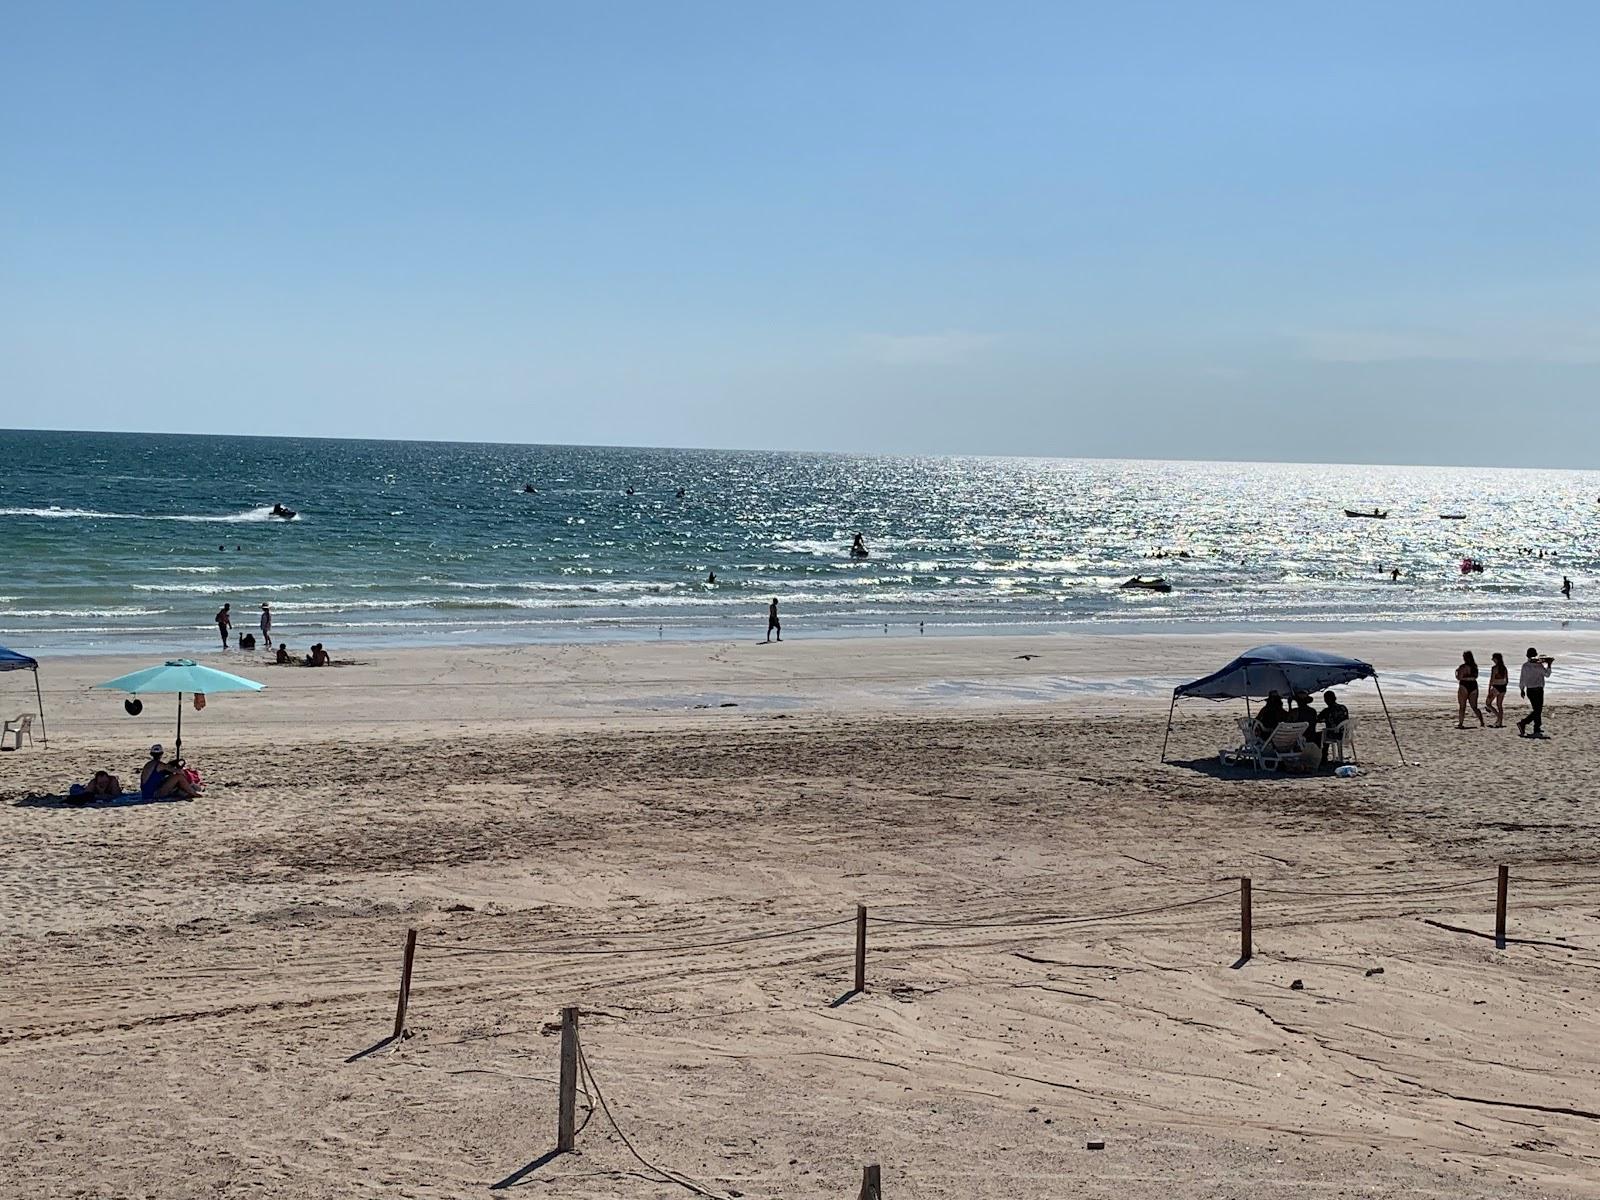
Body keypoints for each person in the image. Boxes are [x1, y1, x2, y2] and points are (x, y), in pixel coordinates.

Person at [1517, 647, 1554, 738]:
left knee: (1537, 710)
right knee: (1538, 710)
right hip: (1538, 690)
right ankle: (1523, 723)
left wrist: (1522, 689)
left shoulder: (1525, 665)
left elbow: (1522, 678)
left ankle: (1536, 727)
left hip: (1530, 690)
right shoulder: (1538, 665)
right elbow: (1547, 674)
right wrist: (1549, 665)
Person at [1455, 651, 1484, 729]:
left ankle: (1460, 723)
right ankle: (1481, 721)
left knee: (1462, 706)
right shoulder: (1474, 667)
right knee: (1474, 706)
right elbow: (1476, 676)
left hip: (1464, 684)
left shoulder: (1463, 667)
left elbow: (1459, 677)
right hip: (1473, 685)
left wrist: (1457, 673)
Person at [1486, 652, 1509, 727]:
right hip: (1503, 687)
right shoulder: (1504, 668)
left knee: (1488, 703)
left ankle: (1498, 717)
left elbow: (1491, 679)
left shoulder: (1495, 668)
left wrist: (1489, 689)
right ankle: (1500, 722)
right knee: (1499, 705)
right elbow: (1507, 680)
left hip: (1496, 687)